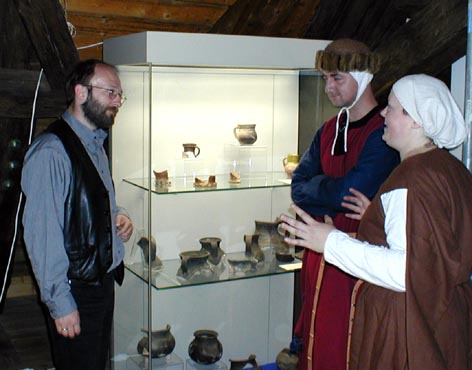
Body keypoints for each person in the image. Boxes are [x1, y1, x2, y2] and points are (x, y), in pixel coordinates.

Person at [281, 74, 472, 370]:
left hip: (410, 327)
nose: (383, 112)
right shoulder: (450, 169)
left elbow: (403, 271)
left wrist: (329, 241)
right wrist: (379, 218)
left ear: (416, 121)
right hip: (444, 316)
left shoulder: (412, 178)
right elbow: (436, 250)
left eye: (392, 107)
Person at [290, 39, 399, 370]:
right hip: (318, 255)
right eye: (325, 78)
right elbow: (297, 188)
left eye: (337, 77)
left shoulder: (385, 133)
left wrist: (320, 189)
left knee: (348, 347)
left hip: (357, 256)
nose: (328, 87)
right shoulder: (328, 130)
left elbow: (350, 192)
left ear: (363, 76)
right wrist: (329, 190)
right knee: (316, 345)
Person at [21, 59, 134, 370]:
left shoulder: (96, 143)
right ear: (81, 92)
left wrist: (118, 217)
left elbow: (88, 202)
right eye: (110, 92)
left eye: (120, 95)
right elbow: (43, 236)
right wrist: (61, 305)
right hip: (75, 293)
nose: (117, 102)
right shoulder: (51, 153)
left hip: (101, 284)